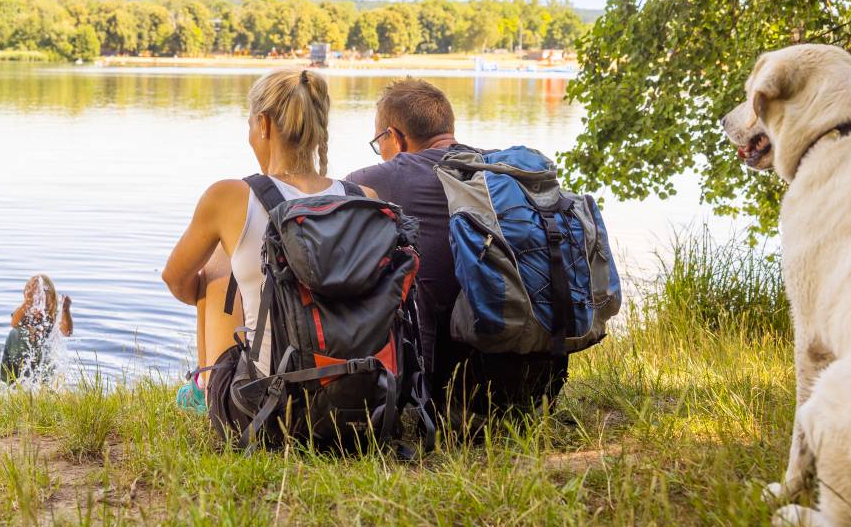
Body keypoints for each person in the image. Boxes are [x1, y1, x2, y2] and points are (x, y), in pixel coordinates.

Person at [344, 77, 567, 432]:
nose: (381, 151)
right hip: (539, 375)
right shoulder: (504, 172)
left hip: (446, 391)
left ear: (395, 137)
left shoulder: (375, 179)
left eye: (379, 141)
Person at [161, 68, 377, 414]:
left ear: (263, 125)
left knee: (221, 257)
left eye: (250, 124)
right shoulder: (363, 198)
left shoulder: (230, 197)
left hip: (268, 412)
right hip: (358, 404)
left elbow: (176, 279)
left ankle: (204, 388)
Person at [0, 274, 73, 384]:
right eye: (33, 291)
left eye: (44, 290)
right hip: (15, 359)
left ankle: (44, 387)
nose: (38, 294)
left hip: (42, 357)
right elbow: (14, 323)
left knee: (47, 367)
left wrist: (65, 310)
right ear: (26, 294)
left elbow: (67, 332)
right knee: (15, 333)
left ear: (52, 296)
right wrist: (28, 303)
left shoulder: (54, 316)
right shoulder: (25, 313)